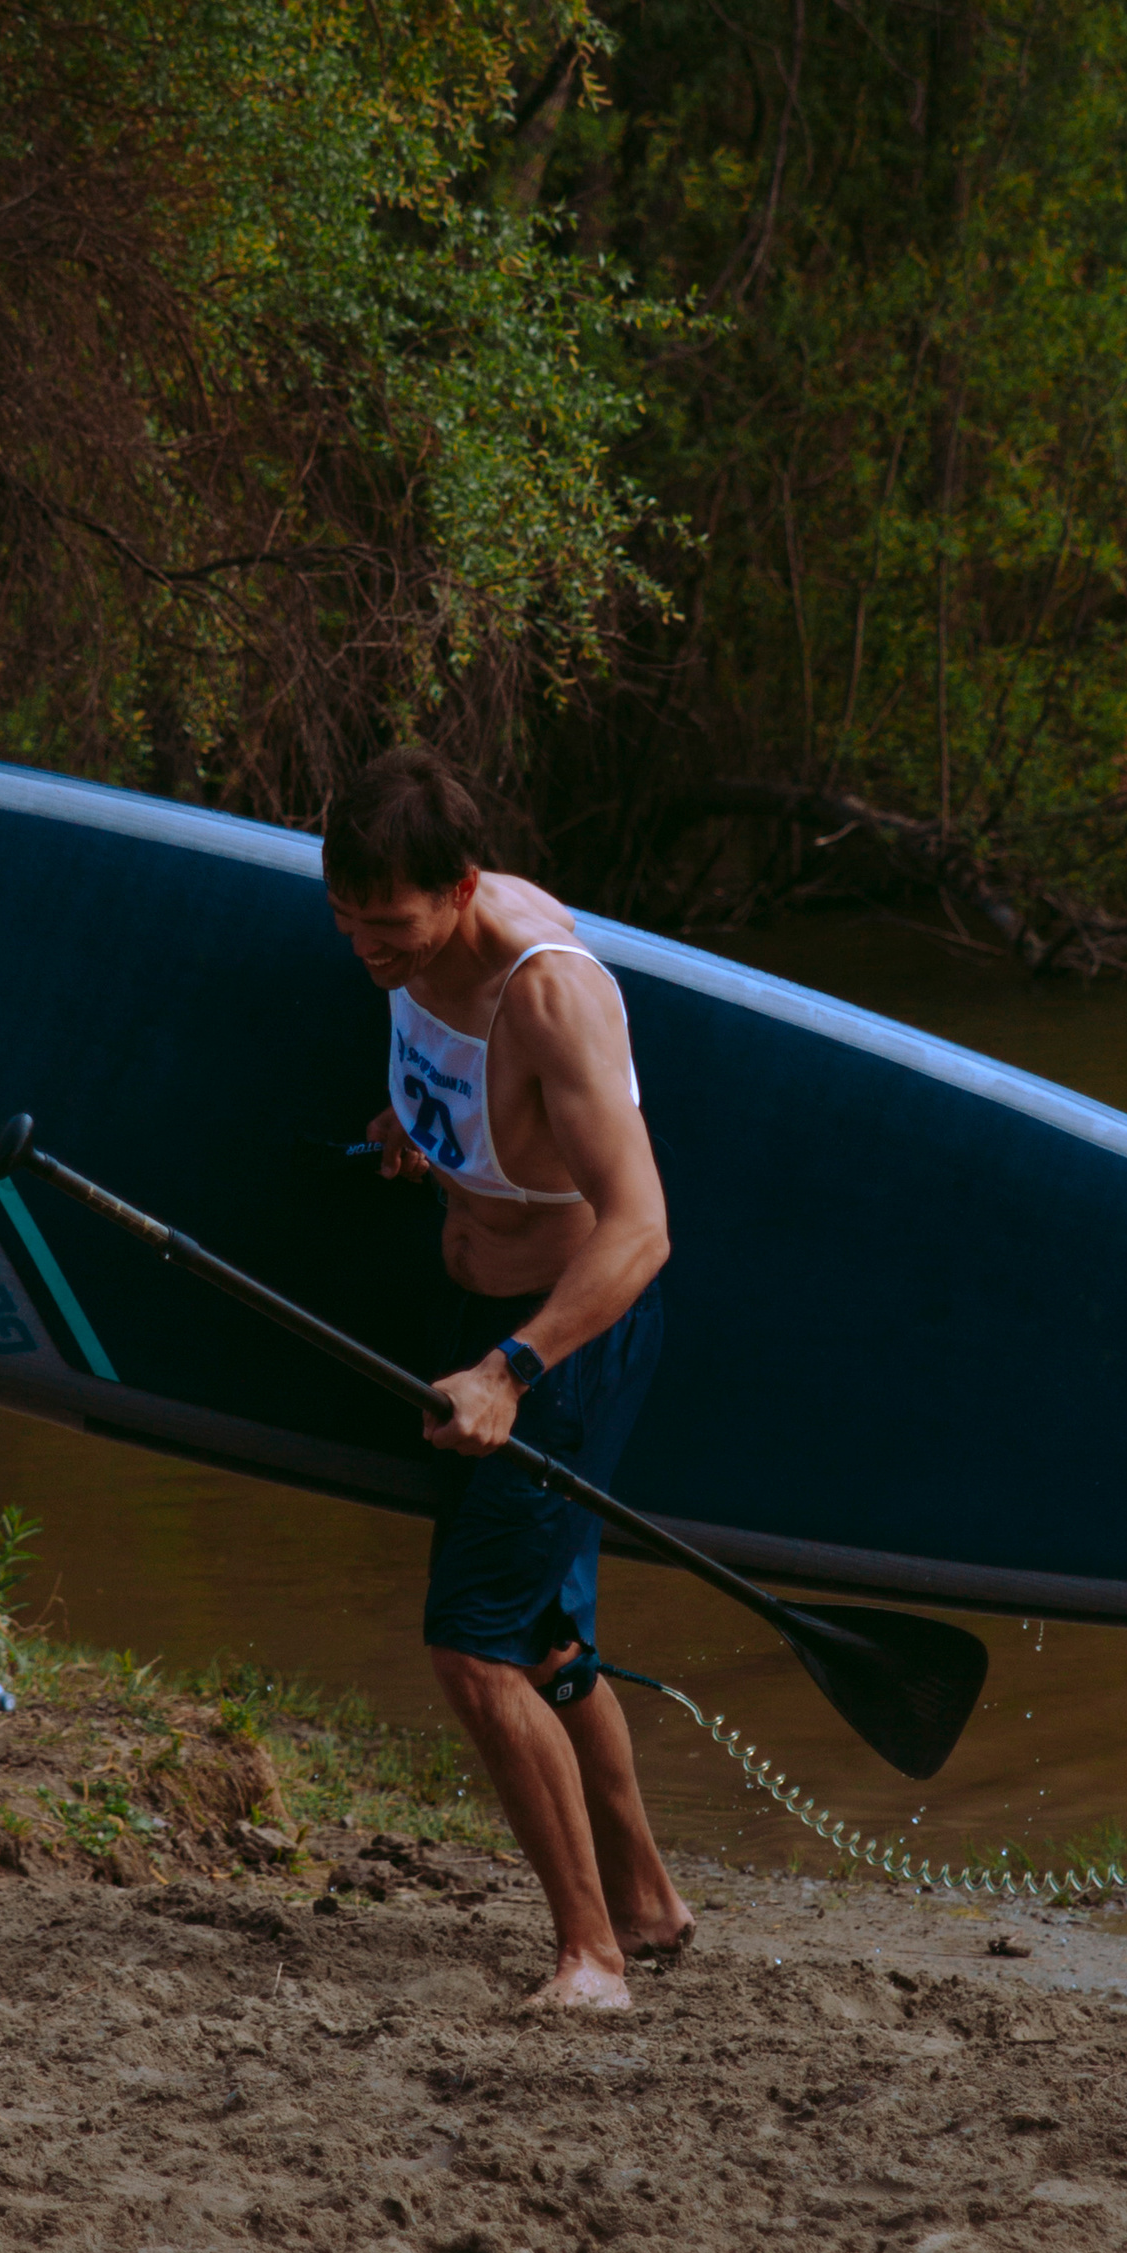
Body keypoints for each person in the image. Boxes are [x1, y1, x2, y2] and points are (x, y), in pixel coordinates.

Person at [323, 746, 694, 2012]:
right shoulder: (414, 951)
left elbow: (639, 1228)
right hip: (480, 1310)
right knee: (545, 1635)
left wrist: (510, 1369)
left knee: (471, 1652)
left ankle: (589, 1960)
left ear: (465, 886)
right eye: (346, 920)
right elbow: (490, 1103)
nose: (368, 947)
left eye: (391, 925)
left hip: (560, 1342)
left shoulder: (550, 995)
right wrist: (418, 1126)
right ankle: (644, 1902)